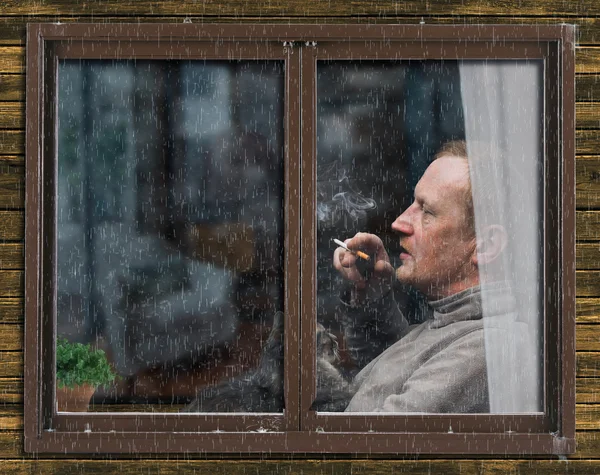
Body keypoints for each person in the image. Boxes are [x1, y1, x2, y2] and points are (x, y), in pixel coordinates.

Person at [333, 140, 533, 413]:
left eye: (426, 211)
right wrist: (372, 295)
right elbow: (394, 377)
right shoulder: (452, 327)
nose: (399, 223)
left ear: (486, 245)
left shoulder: (490, 347)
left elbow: (368, 447)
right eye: (414, 204)